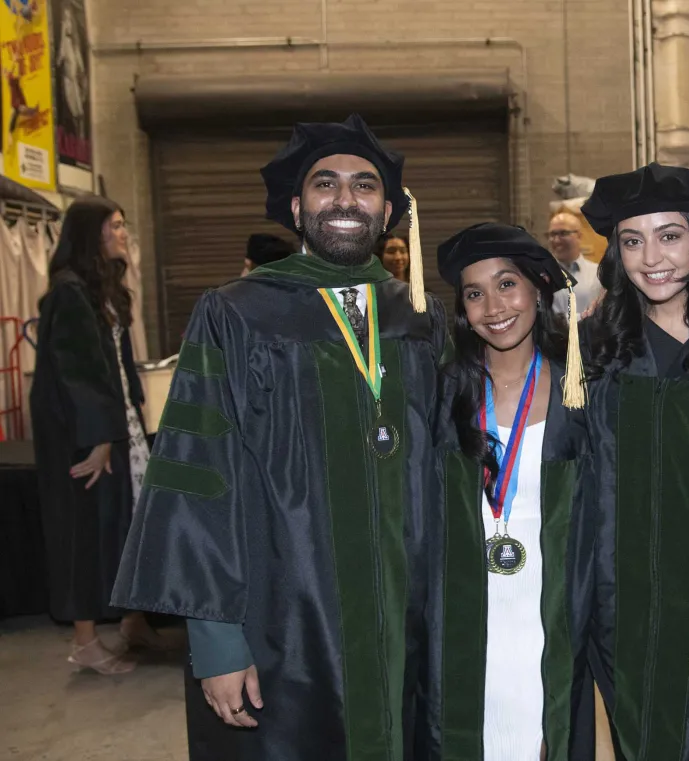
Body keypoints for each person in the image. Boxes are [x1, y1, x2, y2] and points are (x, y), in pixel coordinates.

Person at [113, 114, 447, 761]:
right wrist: (215, 641)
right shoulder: (236, 313)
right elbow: (196, 476)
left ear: (388, 211)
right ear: (298, 206)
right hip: (285, 622)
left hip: (409, 624)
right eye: (326, 184)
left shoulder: (424, 321)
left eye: (365, 185)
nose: (346, 199)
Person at [579, 163, 689, 760]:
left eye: (669, 235)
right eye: (632, 240)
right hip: (623, 601)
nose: (651, 256)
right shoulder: (593, 351)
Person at [428, 222, 593, 760]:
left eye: (506, 284)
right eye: (474, 293)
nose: (493, 306)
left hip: (552, 611)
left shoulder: (582, 387)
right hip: (472, 614)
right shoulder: (442, 394)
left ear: (539, 288)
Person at [30, 196, 164, 675]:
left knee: (129, 521)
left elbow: (116, 361)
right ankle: (85, 640)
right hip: (85, 432)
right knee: (85, 528)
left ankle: (132, 619)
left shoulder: (104, 288)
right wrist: (100, 438)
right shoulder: (69, 292)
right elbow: (76, 373)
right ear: (94, 234)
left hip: (116, 422)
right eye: (118, 226)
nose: (124, 234)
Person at [548, 211, 601, 320]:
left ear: (579, 236)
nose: (556, 240)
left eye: (563, 233)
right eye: (553, 234)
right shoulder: (542, 274)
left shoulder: (598, 273)